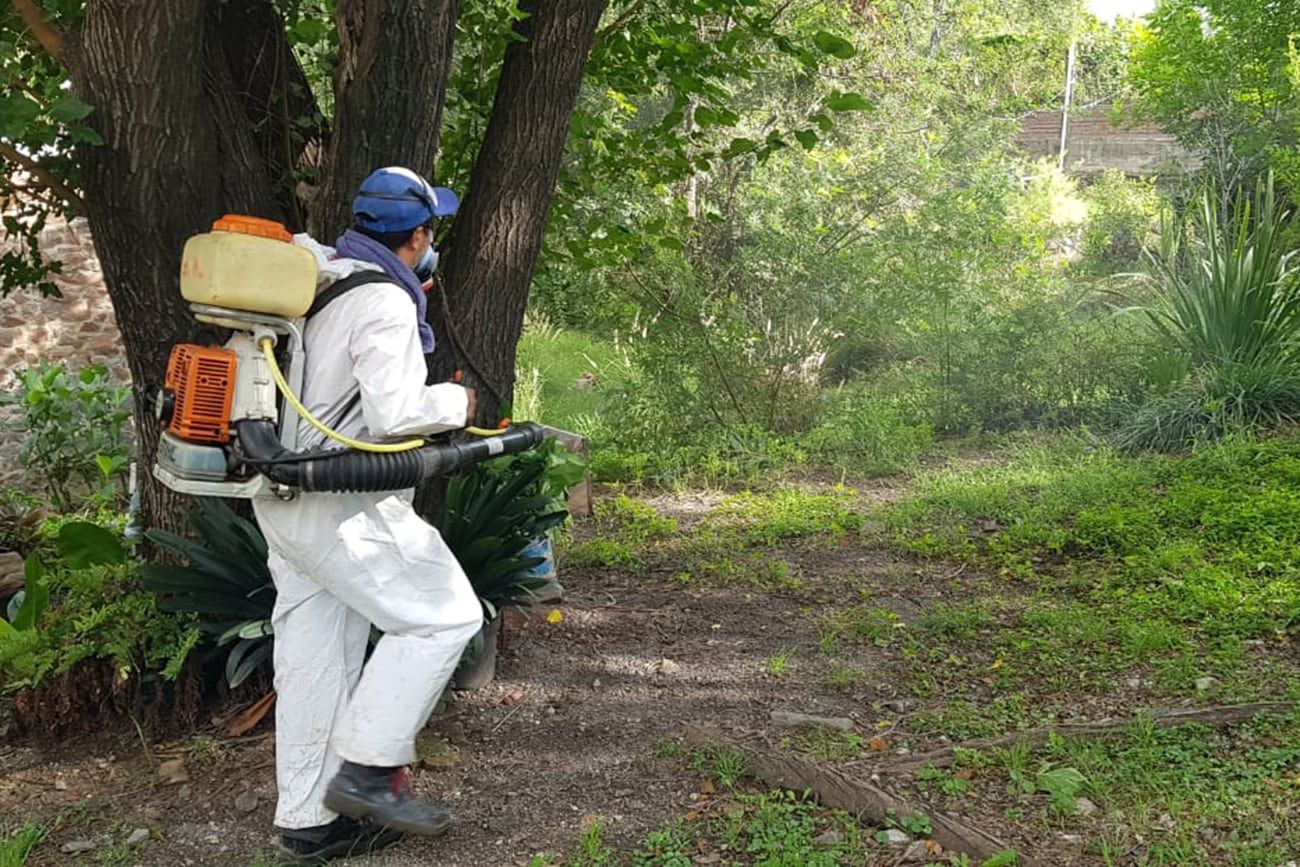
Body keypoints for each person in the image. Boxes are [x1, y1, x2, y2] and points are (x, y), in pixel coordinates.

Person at [252, 167, 481, 863]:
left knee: (316, 652)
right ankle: (370, 771)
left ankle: (309, 821)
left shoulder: (317, 282)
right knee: (444, 615)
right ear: (417, 237)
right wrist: (457, 406)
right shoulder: (382, 297)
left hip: (283, 502)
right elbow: (395, 413)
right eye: (429, 230)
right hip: (343, 506)